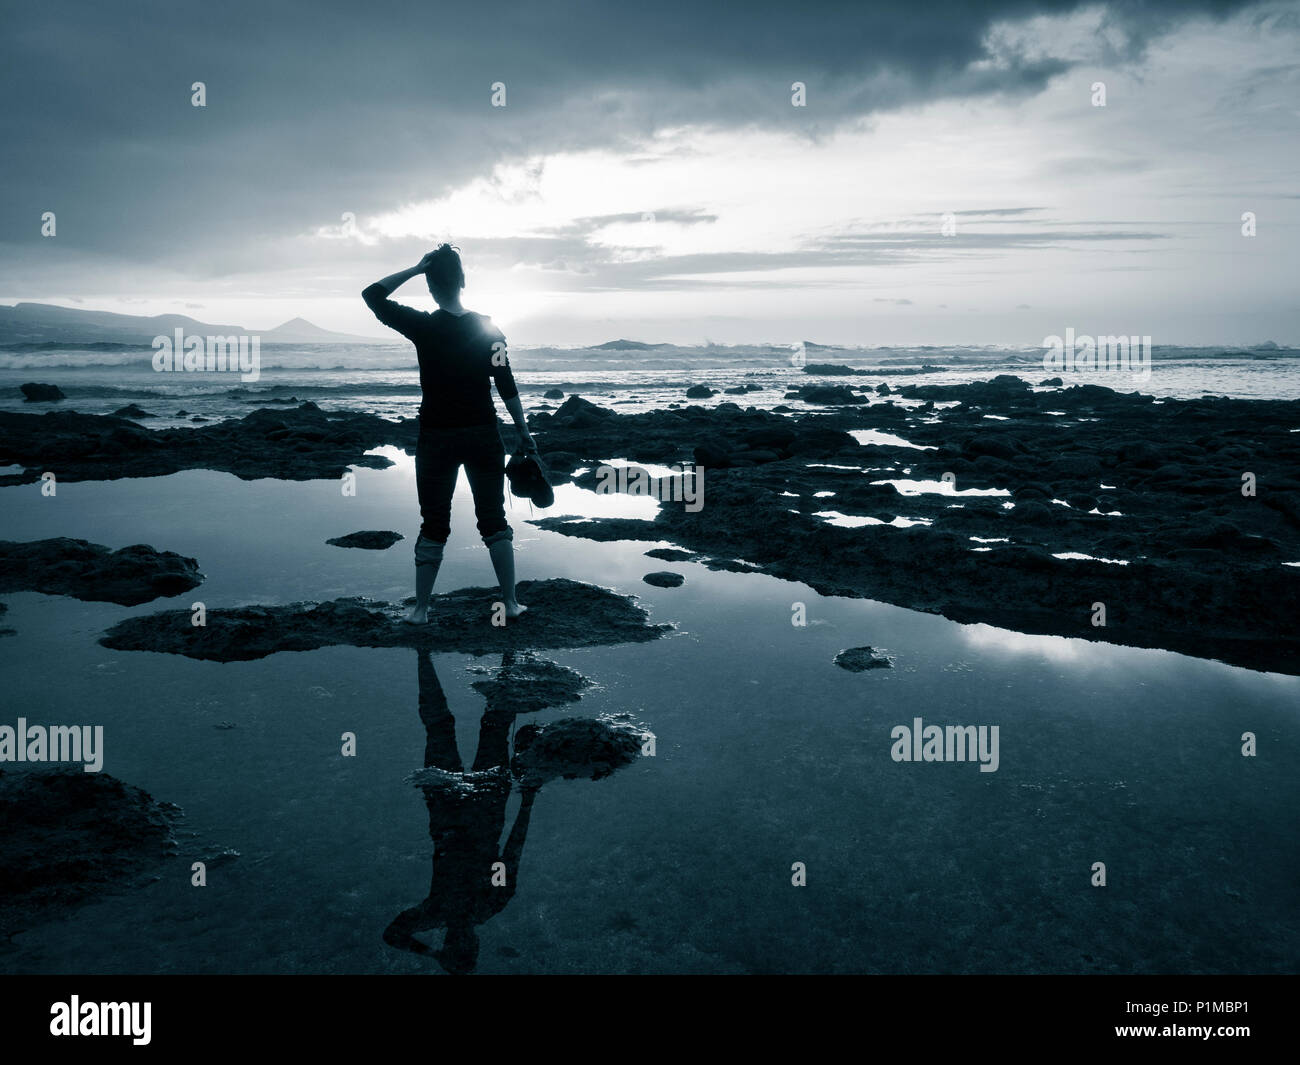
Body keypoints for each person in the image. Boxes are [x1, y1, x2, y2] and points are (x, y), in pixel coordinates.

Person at [362, 245, 536, 624]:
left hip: (436, 437)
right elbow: (506, 384)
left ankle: (422, 610)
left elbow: (372, 296)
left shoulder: (424, 326)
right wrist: (523, 430)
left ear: (430, 287)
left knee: (434, 522)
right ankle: (510, 602)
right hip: (483, 435)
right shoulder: (490, 329)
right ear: (462, 281)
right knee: (493, 518)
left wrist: (414, 268)